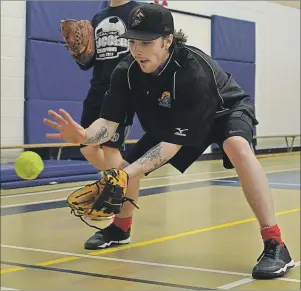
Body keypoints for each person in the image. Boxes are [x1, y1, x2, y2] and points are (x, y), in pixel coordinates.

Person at [44, 4, 295, 279]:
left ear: (168, 40)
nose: (137, 50)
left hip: (224, 111)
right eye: (133, 41)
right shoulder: (126, 71)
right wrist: (84, 136)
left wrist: (121, 175)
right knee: (129, 166)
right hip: (172, 119)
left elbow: (171, 146)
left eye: (146, 42)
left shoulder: (193, 70)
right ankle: (121, 228)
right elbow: (108, 123)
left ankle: (275, 243)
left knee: (236, 146)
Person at [76, 0, 140, 175]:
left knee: (111, 148)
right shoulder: (98, 18)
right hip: (97, 89)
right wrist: (80, 53)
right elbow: (88, 63)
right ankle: (125, 179)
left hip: (123, 89)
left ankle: (115, 193)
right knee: (87, 146)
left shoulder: (139, 11)